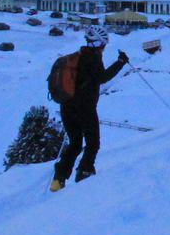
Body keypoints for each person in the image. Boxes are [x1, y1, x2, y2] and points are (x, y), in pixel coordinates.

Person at [49, 27, 129, 191]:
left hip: (66, 106)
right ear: (100, 43)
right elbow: (102, 78)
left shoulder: (77, 57)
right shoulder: (92, 58)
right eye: (104, 44)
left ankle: (58, 179)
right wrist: (120, 62)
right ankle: (84, 174)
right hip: (84, 108)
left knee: (75, 144)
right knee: (93, 143)